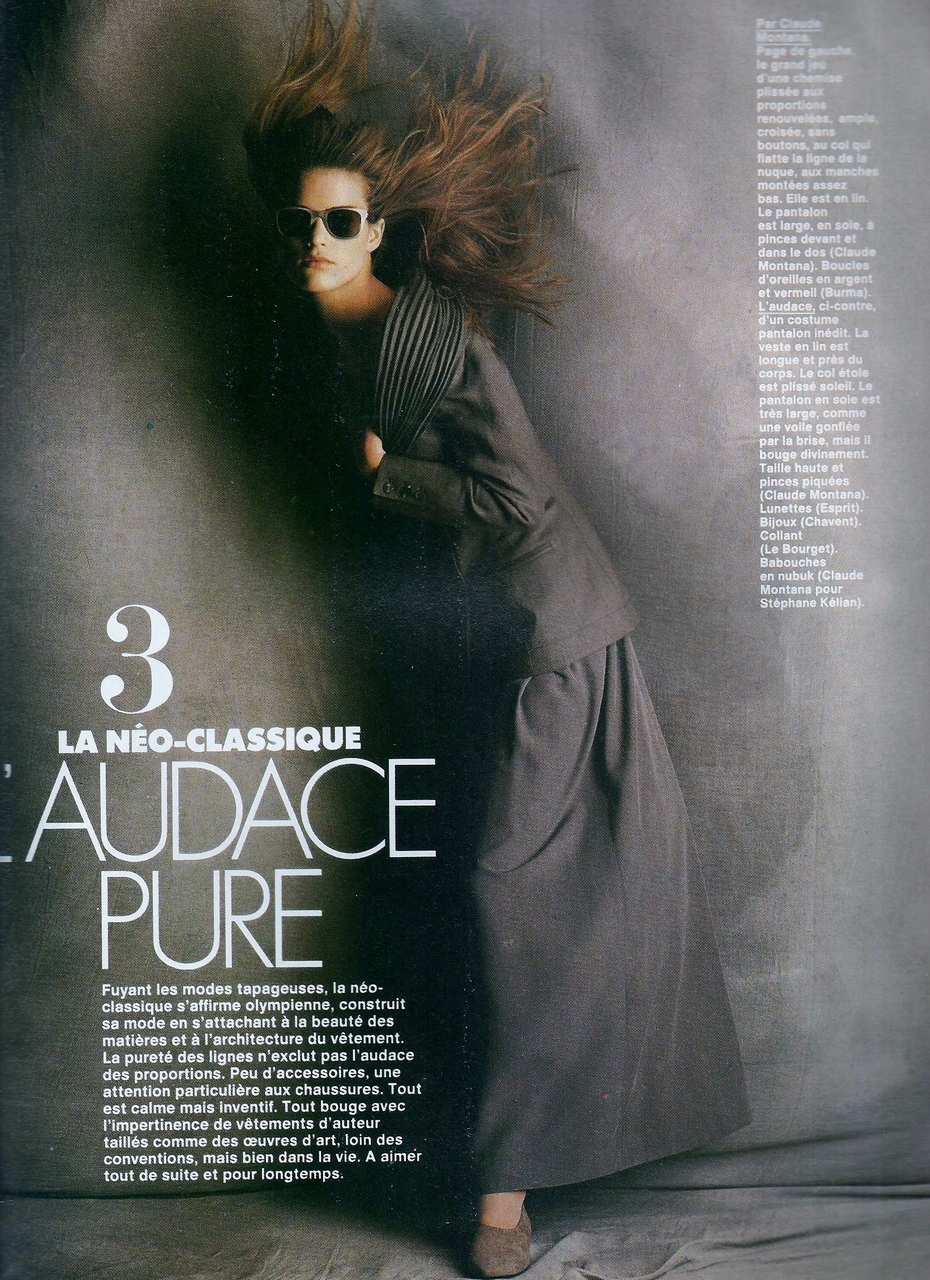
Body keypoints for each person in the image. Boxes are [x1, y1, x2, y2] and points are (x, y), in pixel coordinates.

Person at [244, 3, 750, 1275]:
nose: (314, 243)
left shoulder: (440, 340)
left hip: (556, 638)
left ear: (380, 230)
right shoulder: (343, 330)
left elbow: (519, 503)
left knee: (506, 897)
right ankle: (500, 1174)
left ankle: (503, 1207)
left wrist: (385, 478)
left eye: (338, 223)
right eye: (300, 223)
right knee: (512, 905)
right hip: (504, 637)